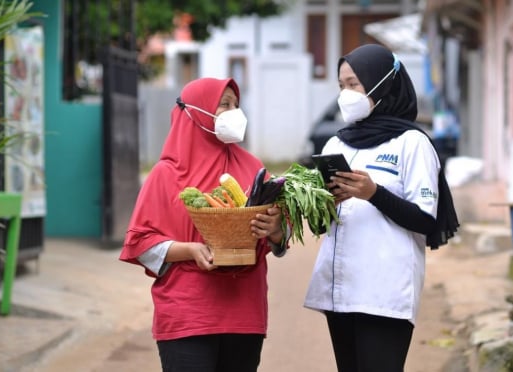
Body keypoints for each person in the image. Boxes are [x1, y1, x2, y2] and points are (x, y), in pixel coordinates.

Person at [303, 44, 460, 372]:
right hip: (340, 290)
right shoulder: (336, 143)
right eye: (341, 86)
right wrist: (323, 204)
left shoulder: (412, 143)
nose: (346, 93)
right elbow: (321, 226)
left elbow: (425, 220)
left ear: (382, 83)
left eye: (353, 84)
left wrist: (373, 193)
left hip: (384, 293)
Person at [119, 77, 287, 372]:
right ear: (198, 111)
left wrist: (274, 230)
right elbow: (140, 243)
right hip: (188, 314)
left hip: (244, 312)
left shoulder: (254, 167)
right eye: (224, 105)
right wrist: (190, 250)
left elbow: (278, 240)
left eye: (236, 104)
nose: (234, 112)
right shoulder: (167, 174)